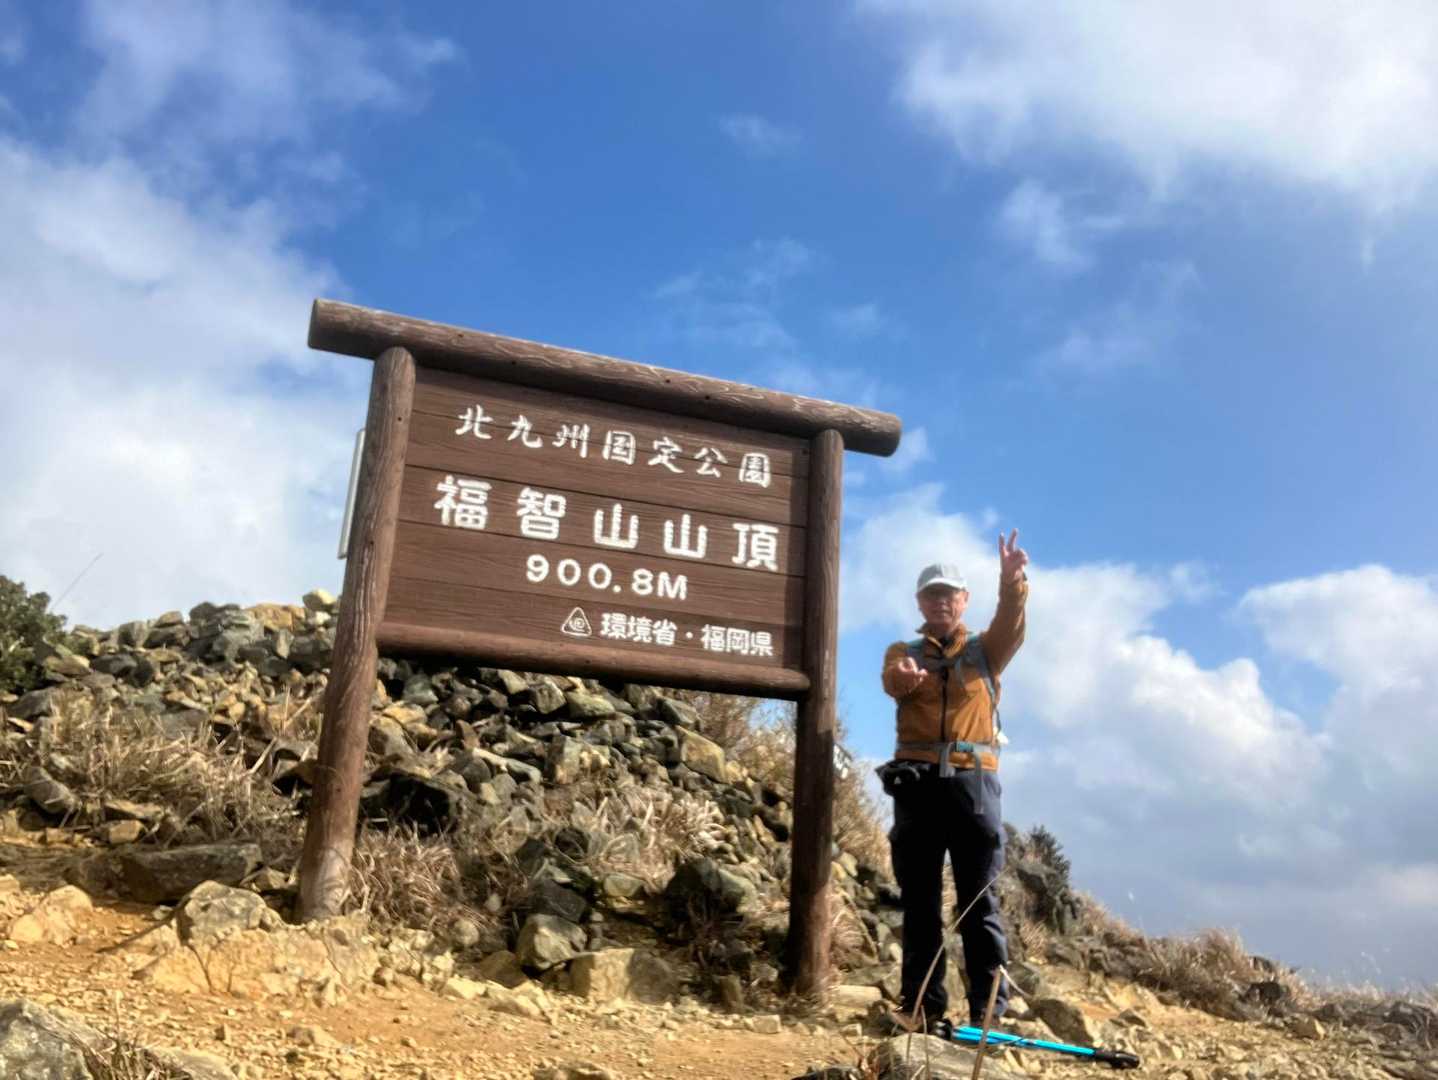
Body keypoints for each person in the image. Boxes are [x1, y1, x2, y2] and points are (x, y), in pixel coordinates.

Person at [877, 530, 1029, 1034]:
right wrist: (905, 677)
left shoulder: (988, 650)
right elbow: (892, 681)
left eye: (949, 594)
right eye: (932, 594)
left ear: (964, 600)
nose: (940, 601)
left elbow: (1012, 621)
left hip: (973, 784)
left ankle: (988, 1014)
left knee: (978, 900)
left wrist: (1013, 582)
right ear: (920, 602)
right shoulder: (902, 650)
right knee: (920, 903)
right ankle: (921, 1008)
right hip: (917, 785)